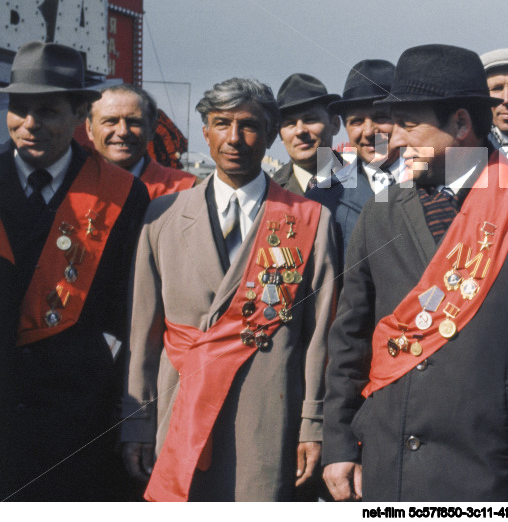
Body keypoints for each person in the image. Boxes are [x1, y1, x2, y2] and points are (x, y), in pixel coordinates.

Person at [321, 44, 508, 502]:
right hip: (390, 461)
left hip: (495, 465)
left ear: (460, 122)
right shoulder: (380, 214)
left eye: (409, 124)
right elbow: (350, 336)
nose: (392, 141)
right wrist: (338, 439)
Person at [121, 78, 338, 501]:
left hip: (267, 415)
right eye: (221, 124)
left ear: (272, 133)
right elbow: (141, 333)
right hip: (178, 408)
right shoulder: (163, 214)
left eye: (250, 125)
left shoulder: (309, 219)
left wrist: (313, 422)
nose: (234, 138)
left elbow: (320, 339)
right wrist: (136, 420)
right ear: (205, 131)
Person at [0, 41, 149, 500]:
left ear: (82, 112)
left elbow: (130, 315)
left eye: (47, 110)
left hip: (77, 423)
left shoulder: (123, 194)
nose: (30, 125)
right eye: (18, 109)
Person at [308, 59, 400, 266]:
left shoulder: (438, 185)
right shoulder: (323, 199)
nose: (369, 132)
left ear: (404, 118)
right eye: (356, 121)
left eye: (380, 117)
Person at [86, 84, 196, 198]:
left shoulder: (186, 190)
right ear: (90, 129)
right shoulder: (72, 183)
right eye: (111, 121)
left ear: (152, 130)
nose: (123, 132)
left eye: (134, 122)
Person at [272, 73, 341, 195]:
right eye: (290, 123)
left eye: (310, 119)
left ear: (335, 125)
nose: (300, 131)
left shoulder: (364, 183)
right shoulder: (269, 194)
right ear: (279, 134)